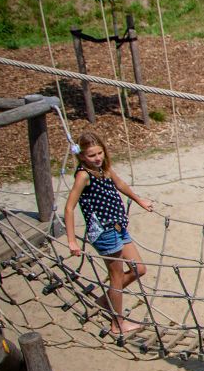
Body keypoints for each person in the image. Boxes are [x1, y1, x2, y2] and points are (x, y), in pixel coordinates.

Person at [63, 132, 153, 335]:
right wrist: (71, 241)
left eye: (100, 153)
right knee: (116, 277)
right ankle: (117, 325)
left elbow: (120, 184)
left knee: (139, 268)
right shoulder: (83, 175)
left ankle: (106, 299)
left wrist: (140, 201)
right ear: (82, 157)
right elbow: (69, 208)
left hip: (118, 227)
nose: (97, 158)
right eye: (91, 155)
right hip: (103, 232)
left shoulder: (104, 169)